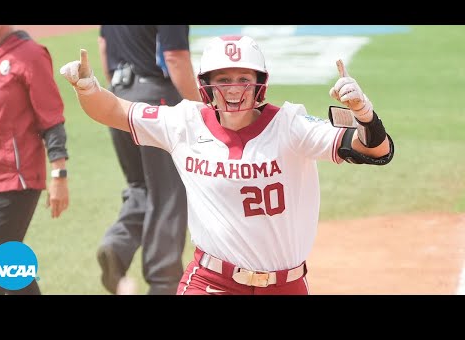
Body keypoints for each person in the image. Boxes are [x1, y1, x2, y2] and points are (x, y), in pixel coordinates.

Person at [60, 35, 394, 295]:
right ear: (207, 85)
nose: (234, 89)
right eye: (223, 80)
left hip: (285, 285)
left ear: (259, 82)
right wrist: (87, 88)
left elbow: (377, 150)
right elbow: (115, 111)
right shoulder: (185, 122)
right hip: (211, 281)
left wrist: (364, 113)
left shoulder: (291, 125)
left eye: (243, 78)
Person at [95, 25, 201, 295]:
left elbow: (104, 49)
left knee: (139, 185)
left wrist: (123, 102)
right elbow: (175, 58)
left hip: (118, 98)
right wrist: (202, 109)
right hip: (156, 99)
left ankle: (117, 247)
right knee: (167, 192)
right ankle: (163, 282)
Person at [0, 25, 69, 295]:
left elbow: (52, 120)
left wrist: (59, 174)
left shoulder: (30, 55)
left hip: (15, 180)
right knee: (8, 265)